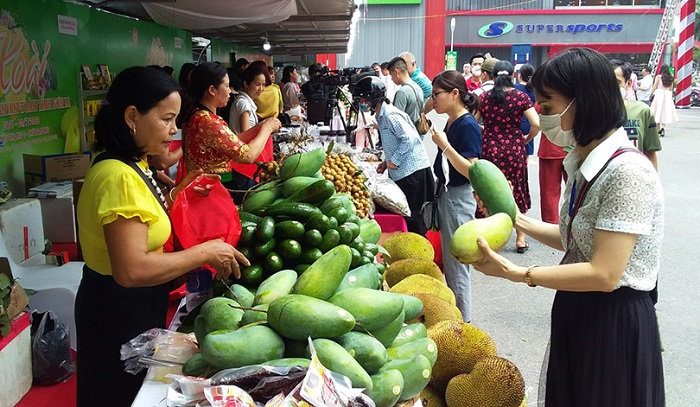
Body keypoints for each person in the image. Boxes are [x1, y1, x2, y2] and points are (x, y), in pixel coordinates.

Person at [472, 47, 664, 407]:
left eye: (546, 105)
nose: (541, 115)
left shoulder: (628, 173)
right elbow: (575, 238)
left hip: (613, 324)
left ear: (583, 101)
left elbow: (605, 272)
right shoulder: (585, 161)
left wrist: (517, 272)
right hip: (582, 312)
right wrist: (513, 218)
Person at [75, 66, 248, 407]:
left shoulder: (132, 164)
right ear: (132, 117)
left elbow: (140, 222)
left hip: (127, 307)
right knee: (118, 396)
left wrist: (176, 195)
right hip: (117, 314)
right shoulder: (118, 177)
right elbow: (131, 269)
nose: (174, 131)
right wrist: (206, 252)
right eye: (167, 119)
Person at [182, 62, 281, 203]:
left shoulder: (199, 116)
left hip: (207, 188)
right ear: (212, 90)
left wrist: (260, 126)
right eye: (227, 86)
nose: (230, 91)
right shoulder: (208, 121)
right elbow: (248, 155)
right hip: (211, 192)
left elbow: (233, 141)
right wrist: (267, 129)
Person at [428, 70, 482, 322]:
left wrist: (445, 146)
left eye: (437, 93)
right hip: (447, 195)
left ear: (455, 93)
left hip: (458, 198)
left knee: (457, 262)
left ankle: (463, 322)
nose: (434, 99)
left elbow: (472, 170)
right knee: (451, 261)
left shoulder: (467, 125)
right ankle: (457, 315)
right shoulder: (452, 120)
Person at [353, 76, 434, 235]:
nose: (361, 102)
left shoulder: (390, 115)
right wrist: (386, 161)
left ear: (372, 97)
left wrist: (395, 160)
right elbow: (394, 141)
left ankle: (418, 252)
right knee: (409, 215)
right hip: (404, 171)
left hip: (413, 172)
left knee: (416, 216)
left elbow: (409, 139)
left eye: (363, 98)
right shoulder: (381, 115)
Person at [477, 60, 540, 253]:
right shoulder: (520, 97)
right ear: (513, 76)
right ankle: (520, 239)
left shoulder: (484, 98)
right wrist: (525, 138)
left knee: (489, 189)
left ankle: (488, 238)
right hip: (514, 149)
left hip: (490, 149)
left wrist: (487, 132)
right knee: (517, 188)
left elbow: (473, 121)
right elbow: (536, 124)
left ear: (493, 76)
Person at [611, 59, 661, 170]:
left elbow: (650, 152)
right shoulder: (591, 113)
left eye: (617, 82)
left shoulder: (642, 111)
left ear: (628, 83)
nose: (610, 87)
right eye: (606, 82)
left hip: (636, 179)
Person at [229, 62, 267, 133]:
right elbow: (246, 134)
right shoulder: (243, 103)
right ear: (246, 84)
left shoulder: (245, 101)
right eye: (257, 84)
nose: (261, 88)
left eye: (263, 84)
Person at [387, 56, 424, 124]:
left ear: (396, 72)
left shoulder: (402, 92)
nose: (391, 79)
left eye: (391, 75)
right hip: (417, 131)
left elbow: (396, 120)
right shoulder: (417, 87)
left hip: (407, 132)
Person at [514, 63, 537, 156]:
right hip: (529, 123)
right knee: (526, 155)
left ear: (520, 75)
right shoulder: (534, 90)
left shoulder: (514, 88)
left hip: (516, 123)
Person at [650, 64, 678, 137]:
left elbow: (654, 87)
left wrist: (651, 94)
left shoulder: (659, 77)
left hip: (659, 94)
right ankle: (663, 127)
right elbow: (671, 89)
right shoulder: (670, 78)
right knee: (664, 111)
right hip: (667, 95)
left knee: (657, 111)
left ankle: (658, 129)